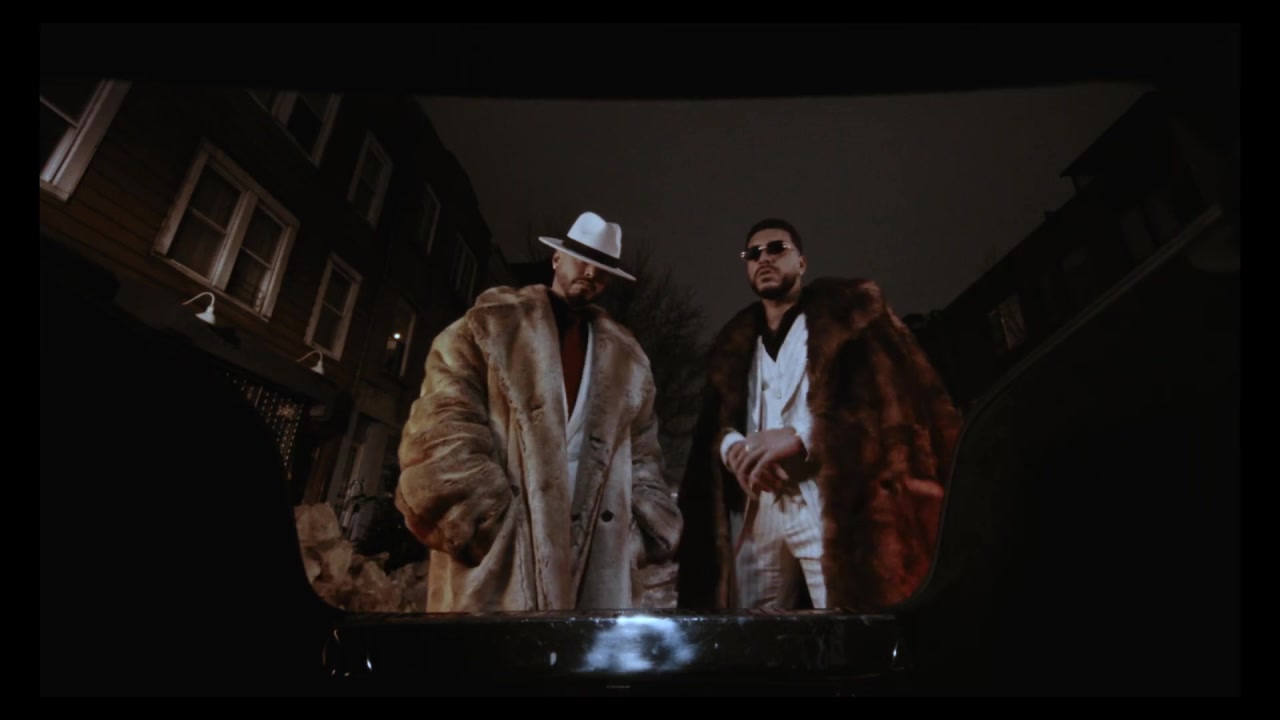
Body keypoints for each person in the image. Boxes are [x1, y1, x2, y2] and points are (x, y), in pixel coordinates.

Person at [396, 211, 682, 612]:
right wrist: (487, 524)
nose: (590, 273)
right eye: (582, 259)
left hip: (596, 575)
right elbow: (441, 428)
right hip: (499, 570)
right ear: (557, 258)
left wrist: (638, 533)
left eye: (602, 269)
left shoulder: (629, 362)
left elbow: (645, 457)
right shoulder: (488, 327)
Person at [676, 218, 963, 611]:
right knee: (753, 629)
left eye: (777, 248)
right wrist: (734, 450)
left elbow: (883, 402)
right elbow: (716, 424)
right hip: (759, 510)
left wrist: (800, 435)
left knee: (845, 616)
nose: (764, 259)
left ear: (802, 262)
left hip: (825, 499)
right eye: (753, 254)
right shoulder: (734, 345)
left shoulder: (848, 321)